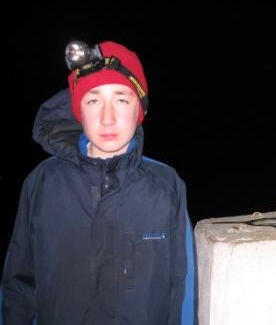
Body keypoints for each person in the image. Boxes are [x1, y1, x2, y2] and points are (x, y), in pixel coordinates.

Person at [0, 40, 197, 325]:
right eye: (93, 100)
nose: (107, 118)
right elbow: (18, 283)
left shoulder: (166, 186)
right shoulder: (42, 183)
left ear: (139, 111)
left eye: (121, 99)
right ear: (79, 111)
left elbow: (183, 290)